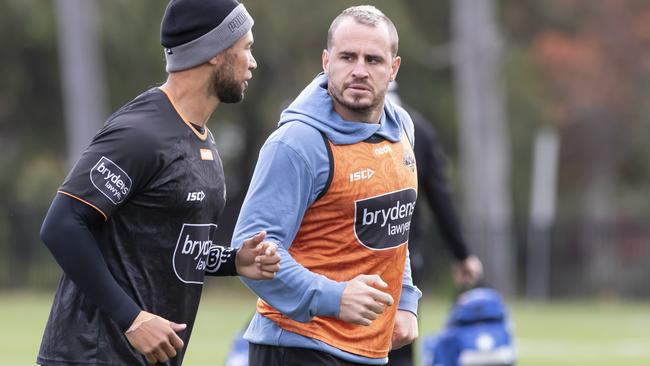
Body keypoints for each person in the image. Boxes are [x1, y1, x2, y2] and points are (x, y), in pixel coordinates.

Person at [37, 1, 280, 365]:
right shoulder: (141, 133)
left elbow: (168, 248)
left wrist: (233, 261)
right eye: (246, 47)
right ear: (215, 52)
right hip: (89, 357)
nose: (253, 61)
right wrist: (132, 319)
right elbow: (61, 226)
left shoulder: (202, 140)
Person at [232, 5, 421, 366]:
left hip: (369, 350)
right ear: (326, 61)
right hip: (297, 347)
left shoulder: (401, 129)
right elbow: (251, 254)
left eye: (374, 60)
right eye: (347, 57)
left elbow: (393, 229)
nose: (359, 70)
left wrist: (406, 301)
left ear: (393, 68)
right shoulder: (296, 143)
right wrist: (333, 297)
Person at [385, 85, 484, 366]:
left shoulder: (335, 124)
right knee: (399, 342)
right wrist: (462, 254)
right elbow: (441, 198)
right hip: (403, 256)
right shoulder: (419, 129)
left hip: (351, 260)